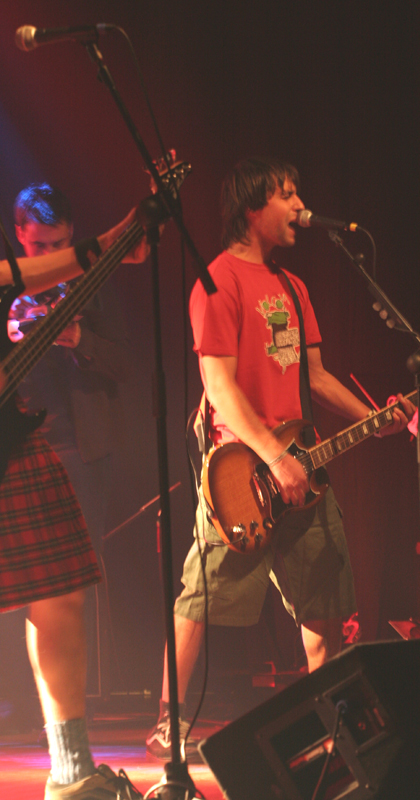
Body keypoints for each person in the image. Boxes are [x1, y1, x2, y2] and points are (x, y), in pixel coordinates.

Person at [146, 156, 416, 759]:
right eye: (286, 195)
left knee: (325, 607)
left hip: (299, 464)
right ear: (252, 207)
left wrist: (375, 418)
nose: (299, 206)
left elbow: (313, 375)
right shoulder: (216, 282)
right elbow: (219, 388)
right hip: (239, 472)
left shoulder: (294, 287)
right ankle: (168, 721)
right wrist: (271, 457)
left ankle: (337, 729)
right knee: (199, 598)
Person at [0, 209, 146, 800]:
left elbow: (12, 278)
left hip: (19, 436)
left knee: (62, 591)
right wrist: (103, 245)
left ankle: (70, 770)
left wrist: (106, 247)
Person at [10, 184, 132, 699]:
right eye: (38, 246)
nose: (49, 256)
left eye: (59, 245)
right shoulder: (7, 286)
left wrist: (79, 339)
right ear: (19, 234)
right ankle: (25, 702)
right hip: (17, 453)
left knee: (72, 589)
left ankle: (68, 713)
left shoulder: (91, 284)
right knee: (25, 588)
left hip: (82, 453)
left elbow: (124, 363)